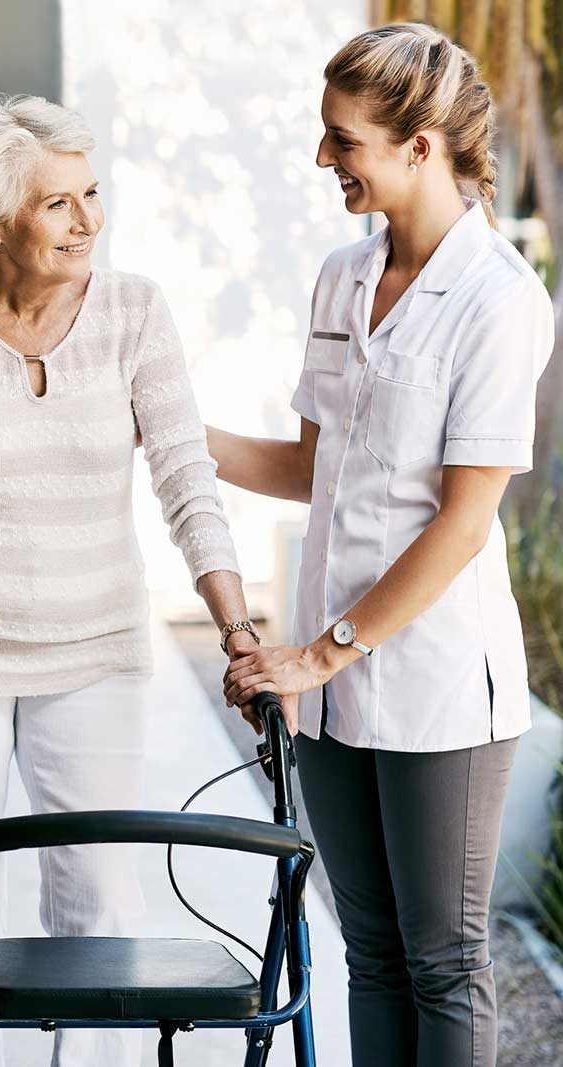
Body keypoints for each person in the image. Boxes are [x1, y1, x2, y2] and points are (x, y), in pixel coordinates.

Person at [0, 92, 257, 1067]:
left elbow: (184, 474)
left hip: (93, 646)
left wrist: (234, 625)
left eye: (91, 193)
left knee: (98, 898)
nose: (88, 220)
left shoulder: (132, 312)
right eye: (57, 203)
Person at [209, 24, 553, 1067]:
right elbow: (314, 467)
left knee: (444, 960)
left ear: (419, 146)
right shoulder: (340, 278)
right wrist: (168, 429)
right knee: (369, 949)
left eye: (342, 140)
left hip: (439, 684)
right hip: (340, 682)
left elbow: (461, 519)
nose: (324, 160)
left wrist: (318, 652)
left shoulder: (499, 299)